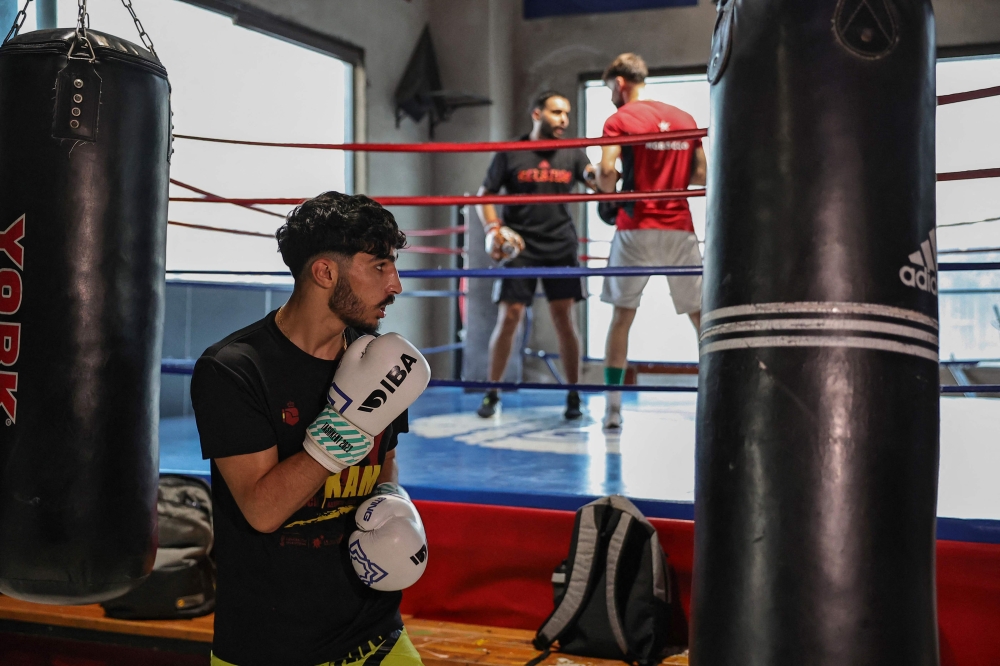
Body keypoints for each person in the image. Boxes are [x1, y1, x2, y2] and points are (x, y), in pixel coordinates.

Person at [191, 192, 428, 666]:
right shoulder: (235, 370)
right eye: (380, 266)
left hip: (375, 634)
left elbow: (384, 464)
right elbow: (262, 510)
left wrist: (395, 508)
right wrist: (343, 426)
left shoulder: (379, 359)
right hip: (270, 647)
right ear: (325, 272)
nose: (396, 284)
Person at [595, 53, 708, 430]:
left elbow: (608, 171)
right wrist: (668, 175)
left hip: (635, 226)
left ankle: (613, 411)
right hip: (679, 226)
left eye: (611, 87)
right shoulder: (683, 118)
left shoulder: (620, 119)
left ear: (621, 83)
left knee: (622, 317)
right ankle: (715, 394)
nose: (611, 93)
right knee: (700, 317)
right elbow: (702, 172)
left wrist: (605, 190)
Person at [475, 90, 597, 420]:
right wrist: (492, 230)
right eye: (557, 112)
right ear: (536, 114)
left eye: (567, 114)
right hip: (521, 245)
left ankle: (573, 394)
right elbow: (483, 195)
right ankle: (492, 392)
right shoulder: (511, 153)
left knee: (564, 318)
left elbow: (594, 180)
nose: (564, 120)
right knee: (510, 316)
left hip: (560, 244)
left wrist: (604, 170)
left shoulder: (574, 153)